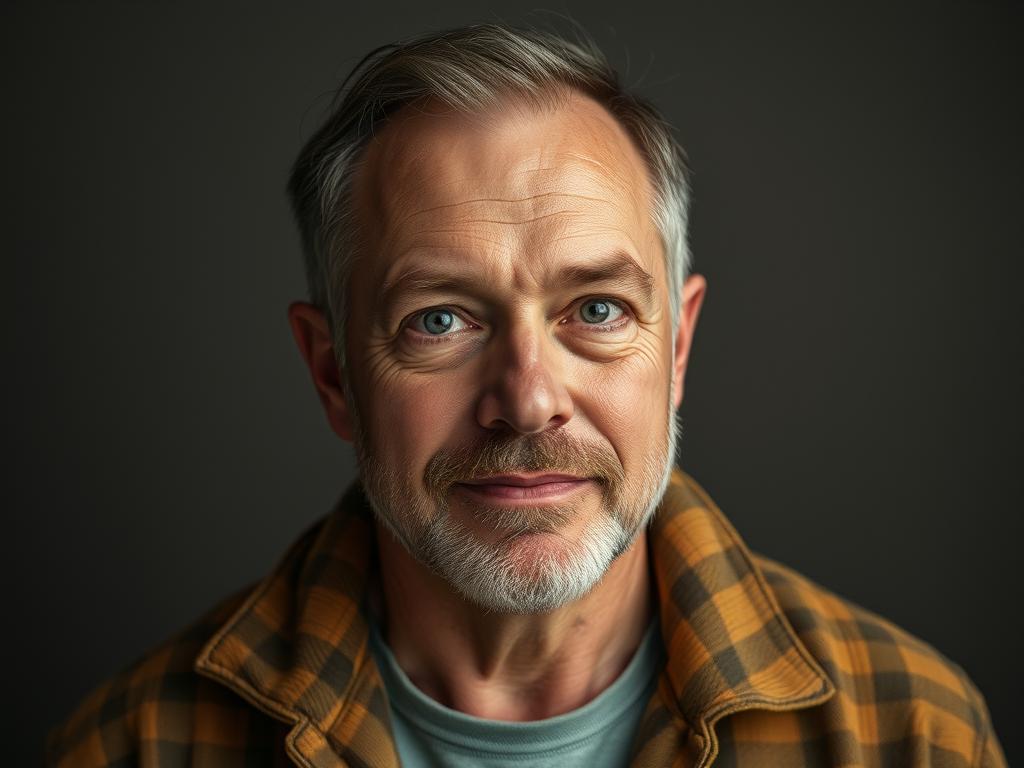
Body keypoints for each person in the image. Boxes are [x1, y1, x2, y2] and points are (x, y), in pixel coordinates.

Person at [46, 23, 1006, 768]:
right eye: (440, 320)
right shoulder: (136, 744)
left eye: (595, 307)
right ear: (334, 372)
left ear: (676, 350)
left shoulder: (910, 734)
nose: (528, 399)